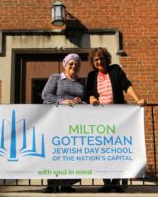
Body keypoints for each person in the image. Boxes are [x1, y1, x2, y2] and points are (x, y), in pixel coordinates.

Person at [86, 47, 146, 193]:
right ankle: (107, 182)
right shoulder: (92, 75)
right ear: (93, 62)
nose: (99, 61)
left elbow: (126, 84)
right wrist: (92, 99)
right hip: (100, 118)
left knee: (116, 149)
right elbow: (89, 93)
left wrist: (137, 99)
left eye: (101, 58)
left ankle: (116, 182)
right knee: (102, 150)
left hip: (117, 116)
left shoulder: (115, 70)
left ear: (107, 59)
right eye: (96, 60)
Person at [41, 53, 84, 193]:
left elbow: (83, 100)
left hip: (73, 122)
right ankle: (52, 184)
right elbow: (46, 95)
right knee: (55, 151)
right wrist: (62, 102)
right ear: (64, 65)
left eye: (76, 63)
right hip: (56, 119)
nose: (74, 65)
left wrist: (80, 101)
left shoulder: (80, 82)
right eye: (71, 63)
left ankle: (67, 184)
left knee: (69, 152)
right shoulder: (56, 78)